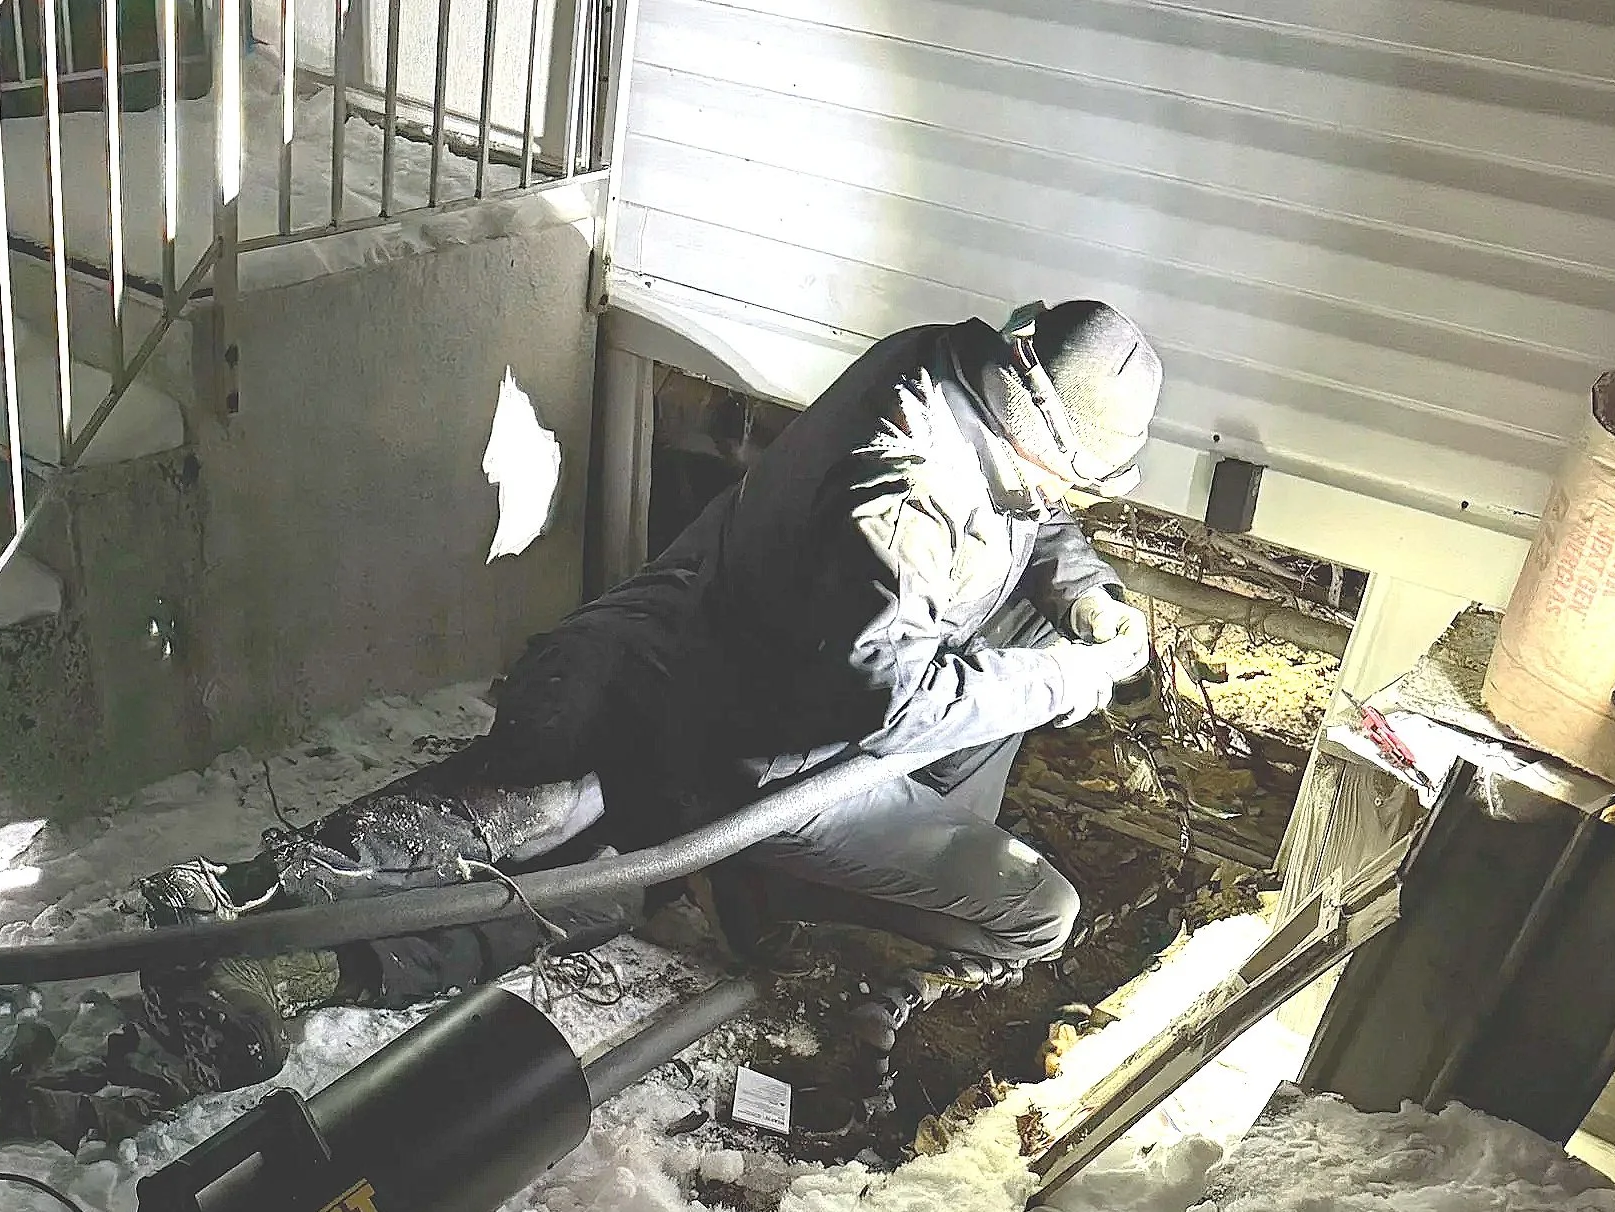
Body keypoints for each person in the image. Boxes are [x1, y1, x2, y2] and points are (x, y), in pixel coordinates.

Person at [146, 298, 1162, 1018]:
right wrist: (1071, 679)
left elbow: (1028, 518)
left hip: (687, 647)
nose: (1067, 504)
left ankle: (263, 902)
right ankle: (282, 940)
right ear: (1040, 442)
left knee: (551, 825)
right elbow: (892, 700)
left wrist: (1085, 597)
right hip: (758, 754)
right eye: (1074, 482)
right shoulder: (900, 499)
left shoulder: (946, 369)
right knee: (577, 866)